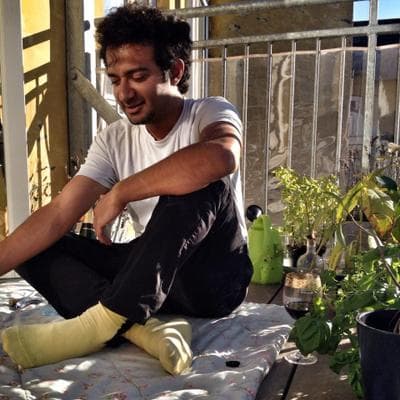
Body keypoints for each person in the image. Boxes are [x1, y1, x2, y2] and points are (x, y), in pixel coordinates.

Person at [0, 4, 253, 374]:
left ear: (175, 70)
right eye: (115, 79)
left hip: (213, 281)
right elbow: (58, 214)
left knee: (203, 183)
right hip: (151, 280)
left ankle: (97, 325)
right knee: (34, 243)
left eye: (137, 76)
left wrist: (121, 192)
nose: (124, 93)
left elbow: (220, 159)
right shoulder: (114, 138)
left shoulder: (210, 112)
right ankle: (145, 331)